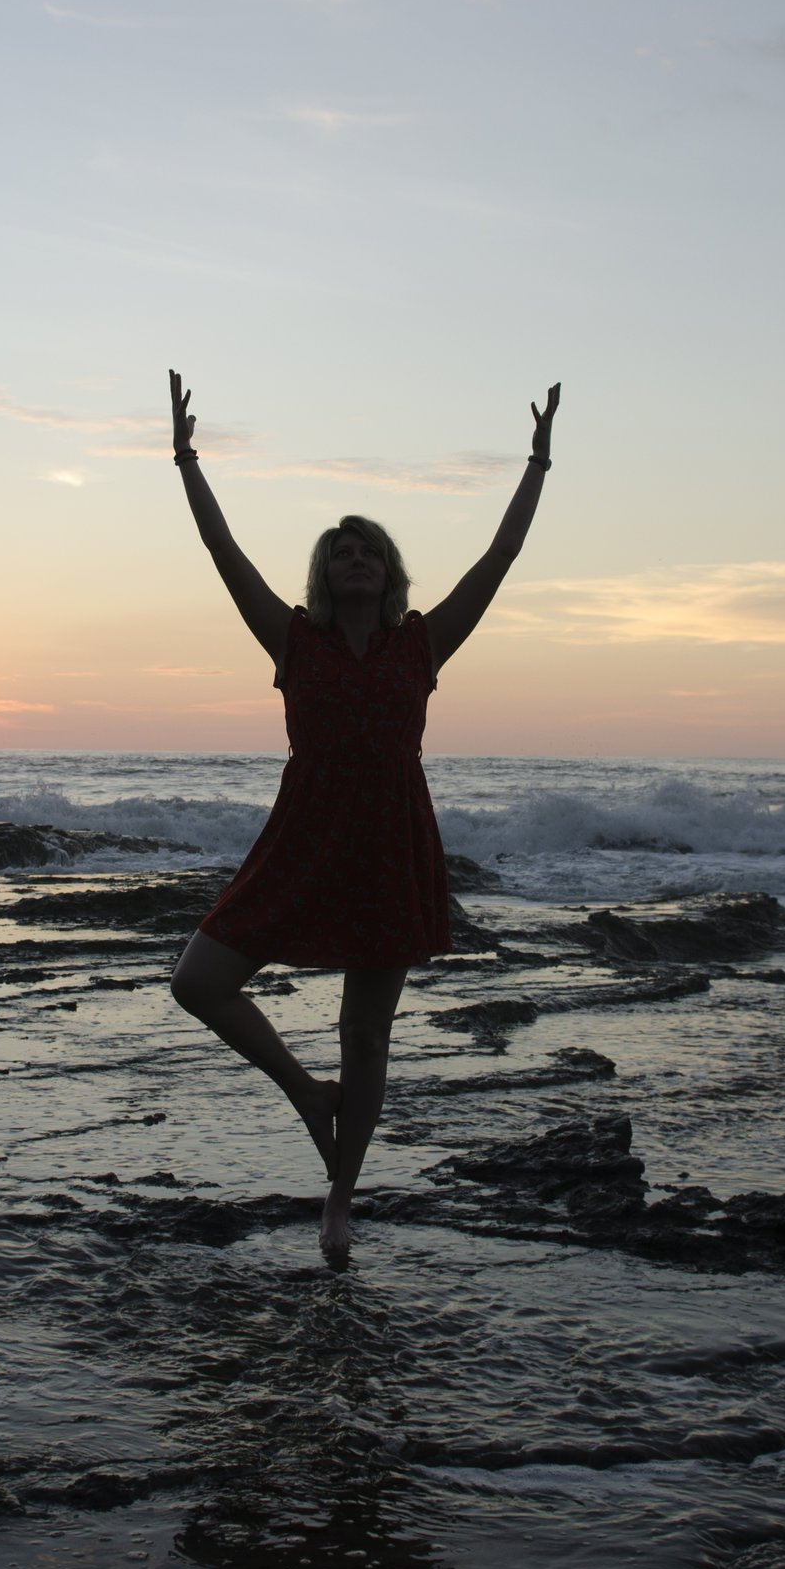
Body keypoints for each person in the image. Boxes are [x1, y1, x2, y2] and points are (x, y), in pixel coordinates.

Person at [164, 368, 561, 1255]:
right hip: (303, 836)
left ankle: (340, 1197)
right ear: (322, 572)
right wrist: (188, 458)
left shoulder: (421, 642)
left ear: (387, 575)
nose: (355, 559)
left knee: (367, 1034)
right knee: (199, 981)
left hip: (388, 837)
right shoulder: (292, 639)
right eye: (341, 550)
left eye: (369, 551)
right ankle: (308, 1095)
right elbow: (222, 552)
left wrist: (536, 466)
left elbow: (497, 561)